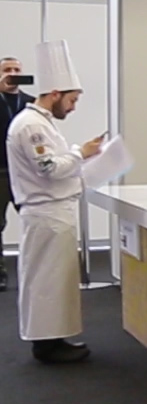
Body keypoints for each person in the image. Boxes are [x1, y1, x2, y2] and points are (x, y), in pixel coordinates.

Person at [8, 41, 103, 364]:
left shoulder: (40, 122)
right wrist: (81, 153)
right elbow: (48, 168)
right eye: (72, 100)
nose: (73, 108)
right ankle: (46, 344)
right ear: (54, 93)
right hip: (46, 212)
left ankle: (54, 337)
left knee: (56, 280)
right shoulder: (32, 125)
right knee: (47, 281)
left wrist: (81, 156)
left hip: (54, 211)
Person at [0, 56, 32, 290]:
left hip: (26, 173)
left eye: (17, 70)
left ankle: (33, 269)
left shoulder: (31, 103)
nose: (12, 73)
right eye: (7, 69)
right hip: (1, 171)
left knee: (34, 219)